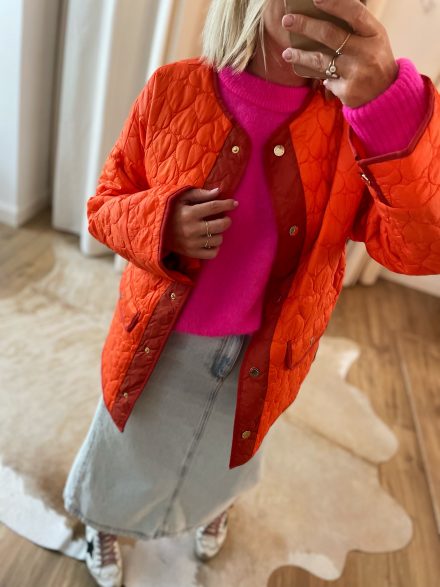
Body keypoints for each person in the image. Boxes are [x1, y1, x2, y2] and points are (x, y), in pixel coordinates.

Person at [62, 0, 440, 585]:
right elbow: (104, 204)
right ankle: (102, 524)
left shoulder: (353, 127)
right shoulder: (172, 88)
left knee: (227, 455)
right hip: (158, 340)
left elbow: (418, 251)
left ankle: (211, 508)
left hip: (266, 353)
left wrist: (393, 114)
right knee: (126, 444)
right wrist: (162, 223)